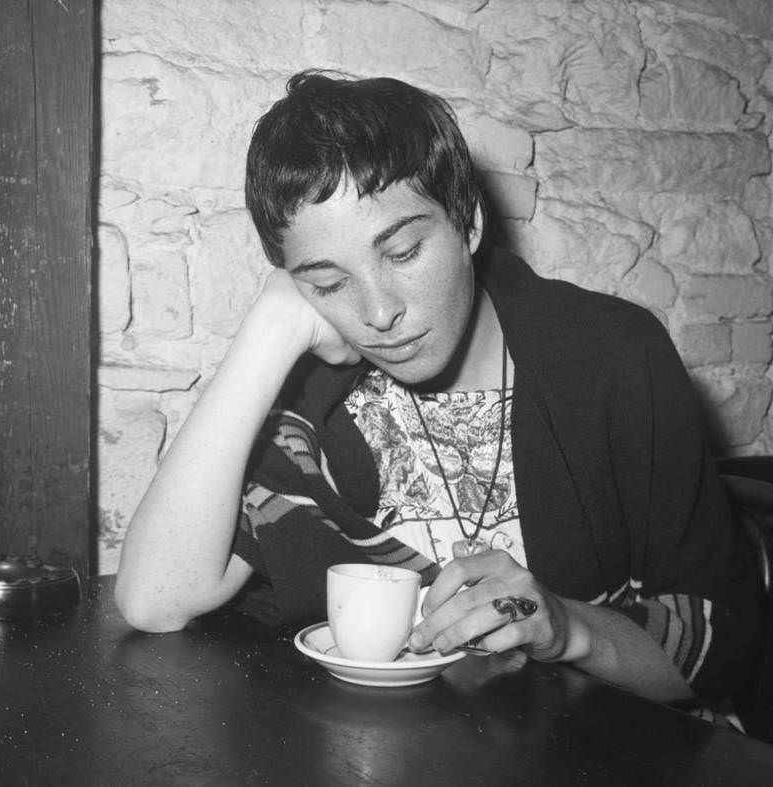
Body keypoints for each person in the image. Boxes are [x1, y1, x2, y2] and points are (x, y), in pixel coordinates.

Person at [114, 69, 761, 721]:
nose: (379, 312)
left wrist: (567, 627)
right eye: (327, 281)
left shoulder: (612, 354)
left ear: (469, 224)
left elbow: (722, 650)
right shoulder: (306, 394)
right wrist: (269, 329)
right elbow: (153, 598)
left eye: (401, 252)